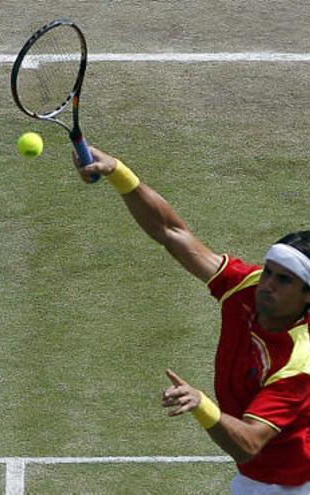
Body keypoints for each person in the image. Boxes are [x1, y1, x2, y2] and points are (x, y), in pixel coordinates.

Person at [74, 148, 310, 492]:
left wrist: (202, 405)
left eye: (283, 280)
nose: (267, 285)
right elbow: (171, 231)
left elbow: (247, 444)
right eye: (269, 272)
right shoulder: (247, 287)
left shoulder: (298, 362)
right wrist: (117, 171)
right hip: (256, 476)